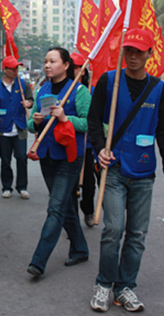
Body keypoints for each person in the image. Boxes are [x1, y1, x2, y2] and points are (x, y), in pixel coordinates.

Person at [87, 28, 164, 312]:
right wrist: (100, 148)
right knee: (113, 229)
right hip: (113, 168)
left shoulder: (159, 90)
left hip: (143, 172)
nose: (133, 56)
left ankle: (124, 287)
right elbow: (93, 120)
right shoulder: (109, 82)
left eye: (139, 51)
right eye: (129, 50)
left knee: (137, 234)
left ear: (150, 54)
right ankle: (104, 284)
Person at [26, 47, 90, 277]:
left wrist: (65, 118)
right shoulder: (42, 90)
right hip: (47, 156)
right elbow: (30, 125)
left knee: (55, 208)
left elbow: (88, 123)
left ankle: (38, 261)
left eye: (52, 61)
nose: (47, 65)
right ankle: (80, 249)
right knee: (64, 205)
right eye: (46, 61)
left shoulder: (79, 91)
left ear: (66, 65)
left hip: (69, 158)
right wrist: (35, 121)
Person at [0, 56, 34, 199]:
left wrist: (28, 103)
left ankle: (22, 187)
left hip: (19, 128)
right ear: (5, 70)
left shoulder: (23, 84)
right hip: (3, 128)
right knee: (5, 160)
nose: (15, 71)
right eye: (12, 69)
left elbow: (31, 100)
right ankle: (6, 187)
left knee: (21, 157)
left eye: (17, 68)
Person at [70, 52, 98, 228]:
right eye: (72, 67)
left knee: (89, 183)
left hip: (87, 146)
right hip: (67, 144)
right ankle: (72, 221)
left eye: (77, 67)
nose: (75, 71)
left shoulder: (91, 91)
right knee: (70, 186)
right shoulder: (63, 90)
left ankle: (88, 211)